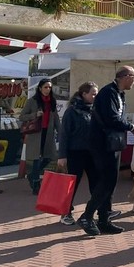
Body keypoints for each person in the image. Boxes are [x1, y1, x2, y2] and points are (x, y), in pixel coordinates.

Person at [77, 66, 134, 236]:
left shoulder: (119, 93)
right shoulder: (108, 93)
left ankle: (104, 219)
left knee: (111, 181)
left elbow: (117, 118)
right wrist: (132, 127)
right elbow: (111, 118)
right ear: (125, 76)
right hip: (102, 143)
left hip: (113, 143)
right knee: (106, 181)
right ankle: (87, 216)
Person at [56, 82, 99, 225]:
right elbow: (64, 134)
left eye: (96, 93)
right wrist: (62, 156)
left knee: (96, 183)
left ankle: (95, 211)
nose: (95, 96)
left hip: (92, 152)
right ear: (84, 94)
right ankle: (65, 213)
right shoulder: (72, 111)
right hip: (75, 152)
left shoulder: (94, 110)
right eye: (93, 93)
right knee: (72, 184)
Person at [19, 78, 61, 195]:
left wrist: (60, 131)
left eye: (49, 87)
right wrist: (35, 114)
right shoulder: (33, 101)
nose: (48, 89)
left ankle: (32, 175)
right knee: (36, 158)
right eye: (45, 87)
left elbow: (56, 117)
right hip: (36, 132)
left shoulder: (52, 100)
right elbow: (22, 116)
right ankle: (36, 185)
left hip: (48, 132)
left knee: (50, 156)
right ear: (40, 88)